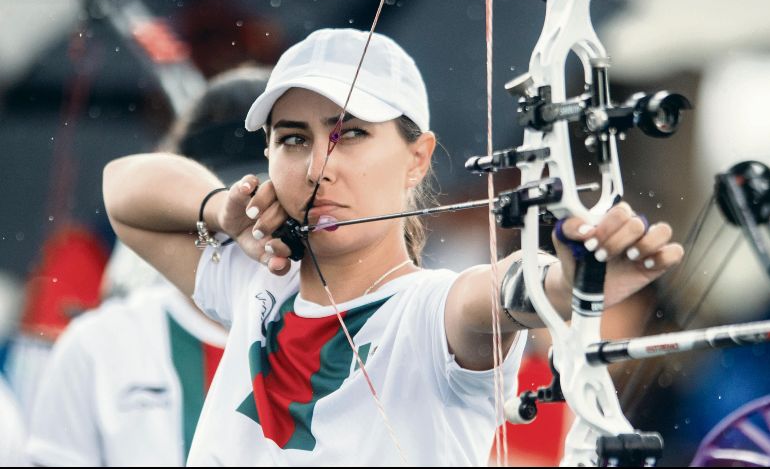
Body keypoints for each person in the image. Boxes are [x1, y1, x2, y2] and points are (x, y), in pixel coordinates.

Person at [102, 28, 684, 465]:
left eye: (349, 133)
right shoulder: (258, 279)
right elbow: (122, 191)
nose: (317, 167)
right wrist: (218, 210)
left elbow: (504, 292)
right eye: (292, 139)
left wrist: (576, 281)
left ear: (418, 157)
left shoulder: (431, 313)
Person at [26, 66, 271, 466]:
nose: (246, 225)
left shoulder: (350, 331)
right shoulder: (100, 345)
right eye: (226, 209)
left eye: (267, 202)